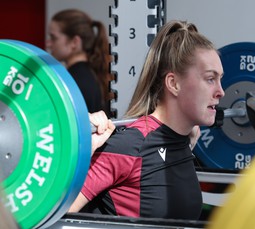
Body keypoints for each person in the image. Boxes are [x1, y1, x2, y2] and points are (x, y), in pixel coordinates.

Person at [68, 20, 225, 220]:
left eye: (220, 79)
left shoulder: (183, 140)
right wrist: (81, 155)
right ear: (174, 83)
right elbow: (57, 214)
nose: (221, 91)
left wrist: (185, 141)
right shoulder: (129, 146)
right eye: (210, 79)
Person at [47, 9, 113, 117]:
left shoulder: (71, 82)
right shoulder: (95, 73)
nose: (48, 43)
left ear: (74, 42)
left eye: (53, 38)